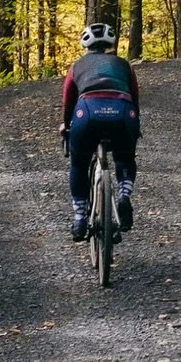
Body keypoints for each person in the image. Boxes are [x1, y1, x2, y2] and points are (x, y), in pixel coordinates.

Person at [60, 22, 140, 242]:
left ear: (85, 45)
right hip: (123, 114)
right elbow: (134, 96)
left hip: (87, 114)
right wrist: (136, 126)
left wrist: (66, 125)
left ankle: (79, 217)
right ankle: (124, 195)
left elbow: (68, 100)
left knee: (79, 162)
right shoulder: (124, 65)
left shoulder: (77, 66)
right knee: (125, 157)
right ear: (111, 43)